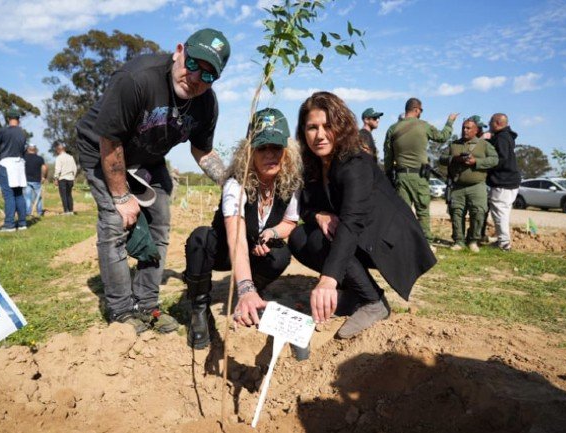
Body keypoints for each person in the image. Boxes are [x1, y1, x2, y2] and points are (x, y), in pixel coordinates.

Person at [75, 28, 231, 333]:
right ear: (179, 51)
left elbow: (202, 150)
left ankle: (147, 305)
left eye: (209, 75)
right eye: (194, 64)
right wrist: (121, 198)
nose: (197, 78)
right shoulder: (137, 79)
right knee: (115, 222)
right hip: (103, 148)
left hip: (148, 156)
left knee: (160, 220)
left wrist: (230, 181)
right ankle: (121, 311)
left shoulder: (206, 104)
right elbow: (110, 141)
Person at [289, 92, 436, 339]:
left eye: (328, 126)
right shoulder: (313, 163)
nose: (320, 135)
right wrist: (319, 215)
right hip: (355, 233)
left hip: (386, 238)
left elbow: (352, 222)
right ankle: (354, 294)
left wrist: (328, 279)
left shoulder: (355, 162)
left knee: (333, 235)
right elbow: (305, 205)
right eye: (312, 127)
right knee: (301, 237)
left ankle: (373, 301)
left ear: (342, 127)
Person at [184, 108, 302, 349]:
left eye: (276, 148)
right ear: (249, 151)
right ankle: (199, 309)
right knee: (200, 239)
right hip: (225, 251)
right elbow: (236, 236)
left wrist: (272, 233)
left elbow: (290, 223)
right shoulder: (235, 184)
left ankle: (253, 293)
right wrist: (243, 287)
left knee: (281, 254)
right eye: (262, 148)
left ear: (286, 152)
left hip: (254, 250)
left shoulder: (290, 186)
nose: (270, 155)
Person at [383, 98, 458, 243]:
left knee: (403, 211)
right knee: (423, 211)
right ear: (417, 110)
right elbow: (442, 137)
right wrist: (450, 122)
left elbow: (388, 155)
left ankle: (403, 242)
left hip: (401, 177)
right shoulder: (424, 126)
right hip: (419, 177)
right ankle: (426, 243)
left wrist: (388, 173)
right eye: (421, 110)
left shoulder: (393, 129)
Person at [439, 117, 498, 252]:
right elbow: (441, 158)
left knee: (478, 212)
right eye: (463, 128)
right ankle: (459, 241)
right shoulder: (454, 144)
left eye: (468, 128)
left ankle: (473, 240)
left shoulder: (484, 145)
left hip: (477, 186)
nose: (465, 130)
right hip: (457, 186)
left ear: (476, 130)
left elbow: (494, 160)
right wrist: (454, 159)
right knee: (456, 213)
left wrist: (476, 162)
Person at [0, 109, 28, 232]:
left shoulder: (4, 131)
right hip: (19, 164)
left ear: (8, 119)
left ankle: (9, 224)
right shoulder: (22, 133)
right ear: (18, 119)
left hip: (7, 164)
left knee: (8, 195)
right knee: (19, 194)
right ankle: (22, 223)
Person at [486, 113, 521, 251]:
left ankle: (504, 244)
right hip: (510, 181)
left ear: (498, 123)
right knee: (502, 212)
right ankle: (502, 240)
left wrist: (485, 164)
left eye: (490, 123)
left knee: (500, 212)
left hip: (503, 181)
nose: (489, 125)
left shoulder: (501, 138)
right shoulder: (506, 137)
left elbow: (501, 159)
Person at [24, 144, 48, 217]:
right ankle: (39, 212)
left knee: (27, 197)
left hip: (26, 180)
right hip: (37, 181)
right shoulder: (40, 158)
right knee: (38, 197)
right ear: (35, 149)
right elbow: (45, 168)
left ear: (28, 149)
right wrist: (44, 177)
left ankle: (28, 213)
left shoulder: (24, 158)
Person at [53, 143, 77, 215]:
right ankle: (71, 211)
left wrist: (56, 178)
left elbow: (58, 169)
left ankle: (66, 211)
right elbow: (75, 168)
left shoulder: (59, 158)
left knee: (63, 195)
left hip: (62, 179)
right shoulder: (71, 157)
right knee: (69, 195)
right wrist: (73, 177)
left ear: (58, 150)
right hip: (70, 178)